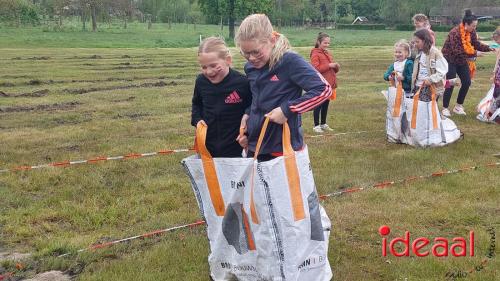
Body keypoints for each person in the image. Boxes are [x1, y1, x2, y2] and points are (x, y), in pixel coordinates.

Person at [235, 14, 332, 161]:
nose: (251, 58)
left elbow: (324, 90)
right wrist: (247, 115)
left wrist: (287, 109)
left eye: (256, 52)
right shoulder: (250, 67)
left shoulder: (289, 61)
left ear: (272, 41)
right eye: (245, 53)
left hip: (282, 147)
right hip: (255, 144)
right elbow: (257, 98)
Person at [191, 37, 252, 157]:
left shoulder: (243, 83)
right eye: (204, 67)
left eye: (213, 66)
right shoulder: (201, 82)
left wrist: (247, 135)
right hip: (208, 149)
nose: (209, 72)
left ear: (228, 60)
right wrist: (197, 120)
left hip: (235, 150)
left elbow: (253, 107)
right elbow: (196, 104)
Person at [441, 9, 495, 117]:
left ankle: (458, 106)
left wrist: (489, 48)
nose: (475, 28)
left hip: (462, 60)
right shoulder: (455, 33)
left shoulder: (471, 32)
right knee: (450, 82)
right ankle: (445, 108)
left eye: (476, 26)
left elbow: (476, 44)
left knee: (467, 82)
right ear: (466, 24)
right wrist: (475, 54)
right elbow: (458, 51)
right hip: (450, 59)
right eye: (473, 26)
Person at [310, 32, 340, 133]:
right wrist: (329, 66)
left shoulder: (327, 53)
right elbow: (315, 69)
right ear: (319, 42)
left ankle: (323, 123)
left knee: (326, 103)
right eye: (325, 43)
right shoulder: (315, 53)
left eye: (328, 43)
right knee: (318, 103)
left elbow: (332, 69)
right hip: (320, 83)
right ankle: (316, 125)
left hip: (329, 84)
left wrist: (336, 68)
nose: (327, 45)